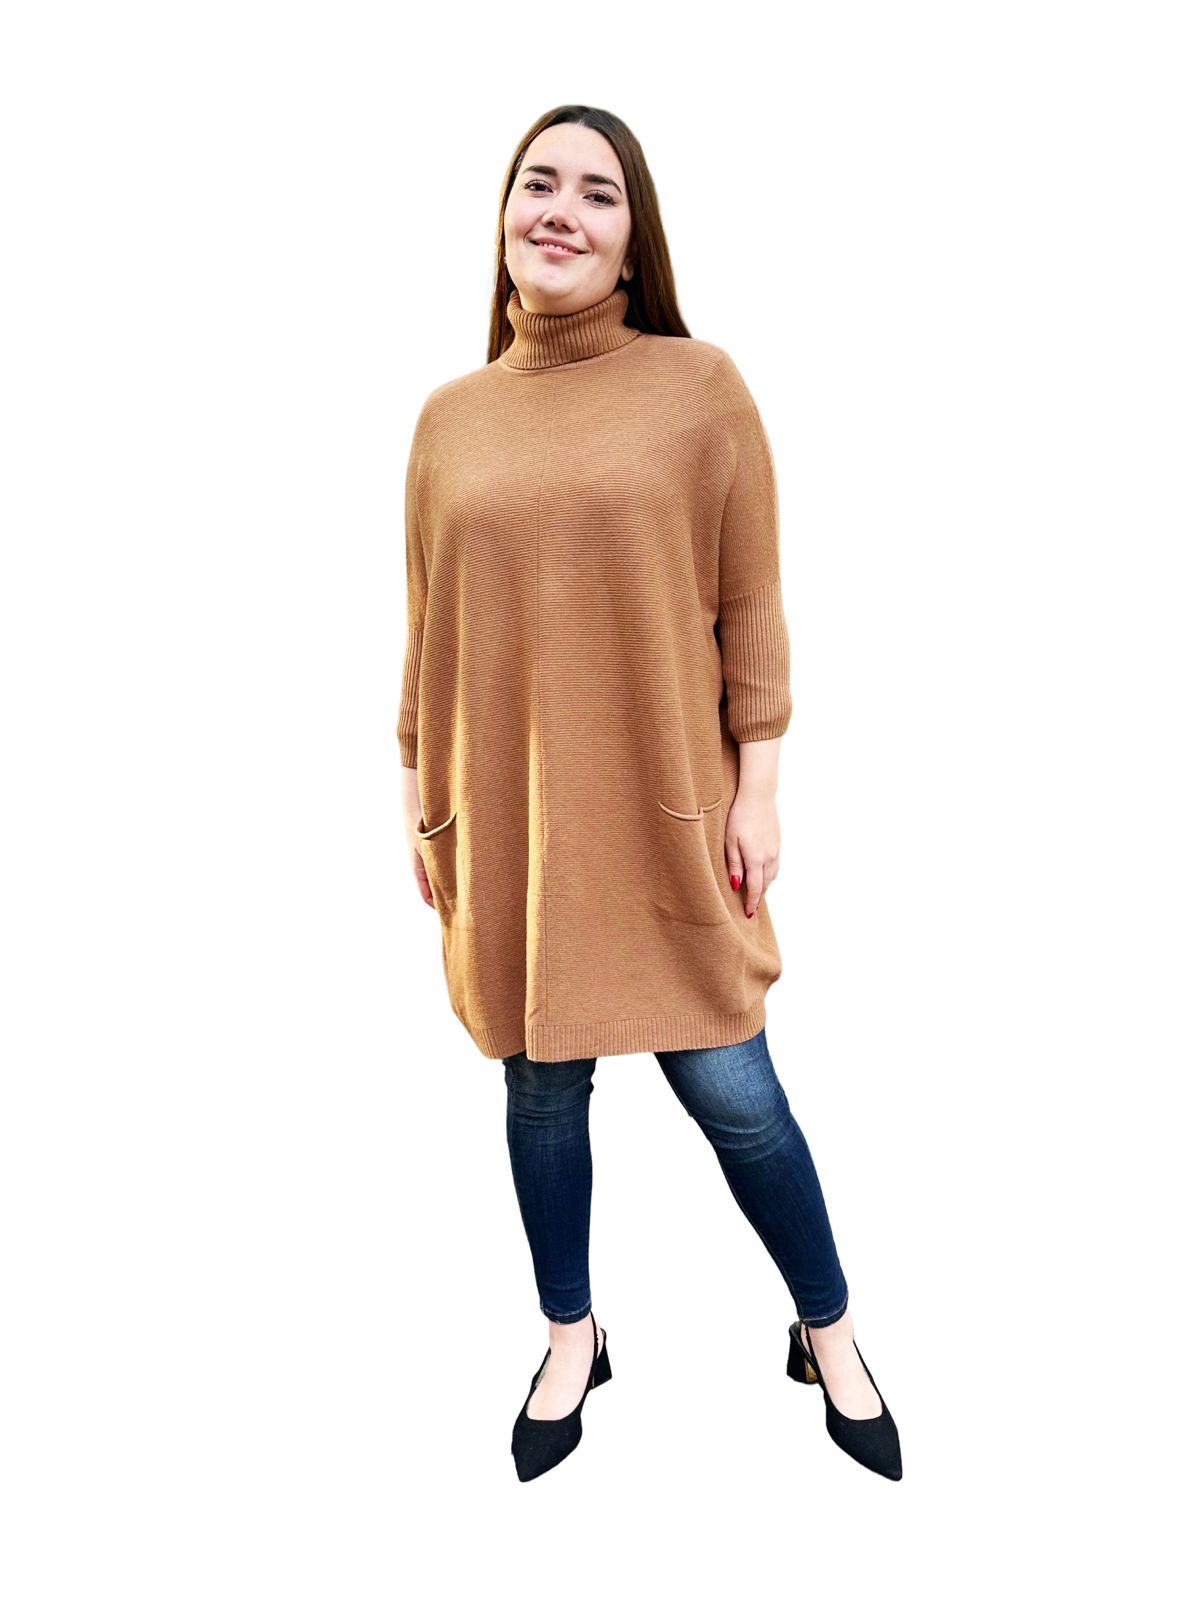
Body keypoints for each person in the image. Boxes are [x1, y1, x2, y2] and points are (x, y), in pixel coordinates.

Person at [397, 105, 901, 1484]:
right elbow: (427, 632)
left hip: (667, 811)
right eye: (538, 183)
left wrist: (761, 786)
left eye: (598, 193)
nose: (561, 209)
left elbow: (753, 607)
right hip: (507, 822)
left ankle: (829, 1328)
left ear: (633, 243)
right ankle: (574, 1336)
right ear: (506, 216)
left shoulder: (696, 388)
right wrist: (418, 797)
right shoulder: (449, 420)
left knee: (736, 1089)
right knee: (540, 1094)